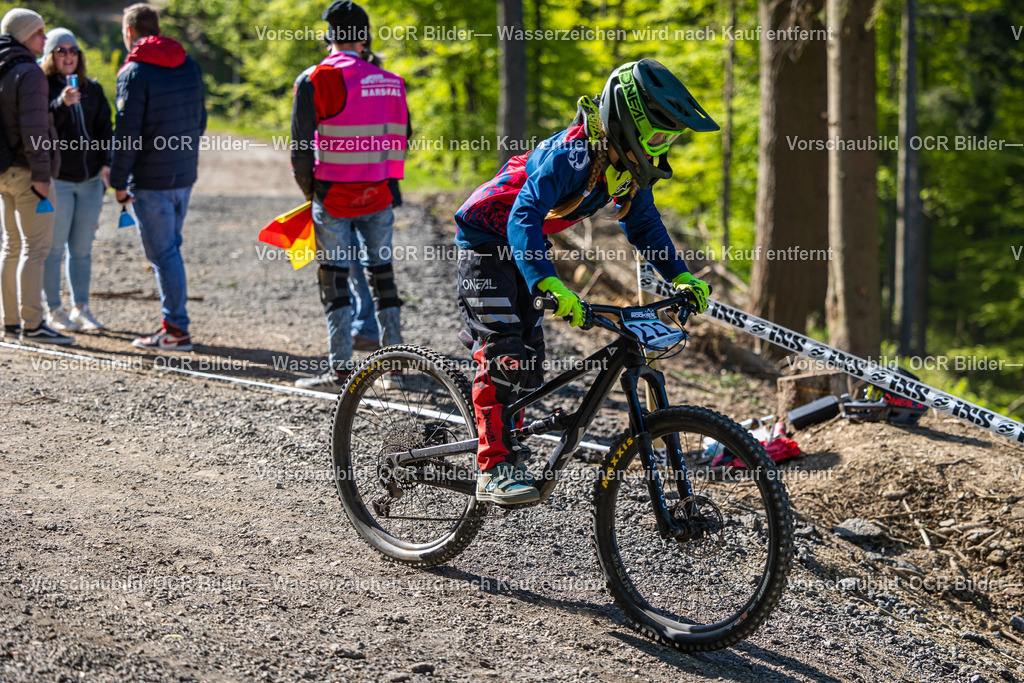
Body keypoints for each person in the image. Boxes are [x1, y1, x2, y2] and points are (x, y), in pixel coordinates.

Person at [455, 59, 717, 504]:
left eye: (668, 140)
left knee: (530, 362)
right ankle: (494, 466)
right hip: (486, 242)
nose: (660, 149)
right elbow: (523, 214)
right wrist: (547, 282)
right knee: (505, 354)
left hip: (524, 244)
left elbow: (644, 224)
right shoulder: (572, 154)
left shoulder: (624, 166)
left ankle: (508, 443)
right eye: (657, 137)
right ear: (628, 124)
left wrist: (682, 276)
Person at [290, 0, 409, 390]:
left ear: (330, 38)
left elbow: (300, 149)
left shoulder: (313, 79)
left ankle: (340, 371)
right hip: (379, 195)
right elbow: (402, 137)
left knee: (335, 281)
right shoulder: (391, 81)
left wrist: (310, 193)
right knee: (383, 277)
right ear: (364, 38)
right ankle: (395, 370)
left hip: (333, 196)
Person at [110, 3, 205, 351]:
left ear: (129, 32)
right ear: (158, 30)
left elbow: (127, 134)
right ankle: (175, 325)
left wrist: (118, 182)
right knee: (170, 250)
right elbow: (200, 119)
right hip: (184, 174)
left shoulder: (133, 72)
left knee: (164, 255)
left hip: (151, 180)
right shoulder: (189, 64)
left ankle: (176, 330)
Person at [0, 8, 69, 344]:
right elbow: (35, 130)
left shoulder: (3, 66)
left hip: (3, 172)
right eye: (39, 32)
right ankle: (33, 324)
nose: (45, 38)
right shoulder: (29, 72)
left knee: (11, 246)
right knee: (36, 249)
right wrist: (42, 174)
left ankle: (11, 322)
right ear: (24, 34)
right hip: (28, 172)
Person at [41, 28, 112, 332]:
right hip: (59, 180)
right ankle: (53, 309)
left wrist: (107, 163)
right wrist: (61, 105)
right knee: (54, 248)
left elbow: (106, 129)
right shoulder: (41, 87)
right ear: (51, 56)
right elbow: (41, 127)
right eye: (61, 50)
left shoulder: (92, 89)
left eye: (73, 50)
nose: (68, 55)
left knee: (82, 249)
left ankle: (81, 308)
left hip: (91, 181)